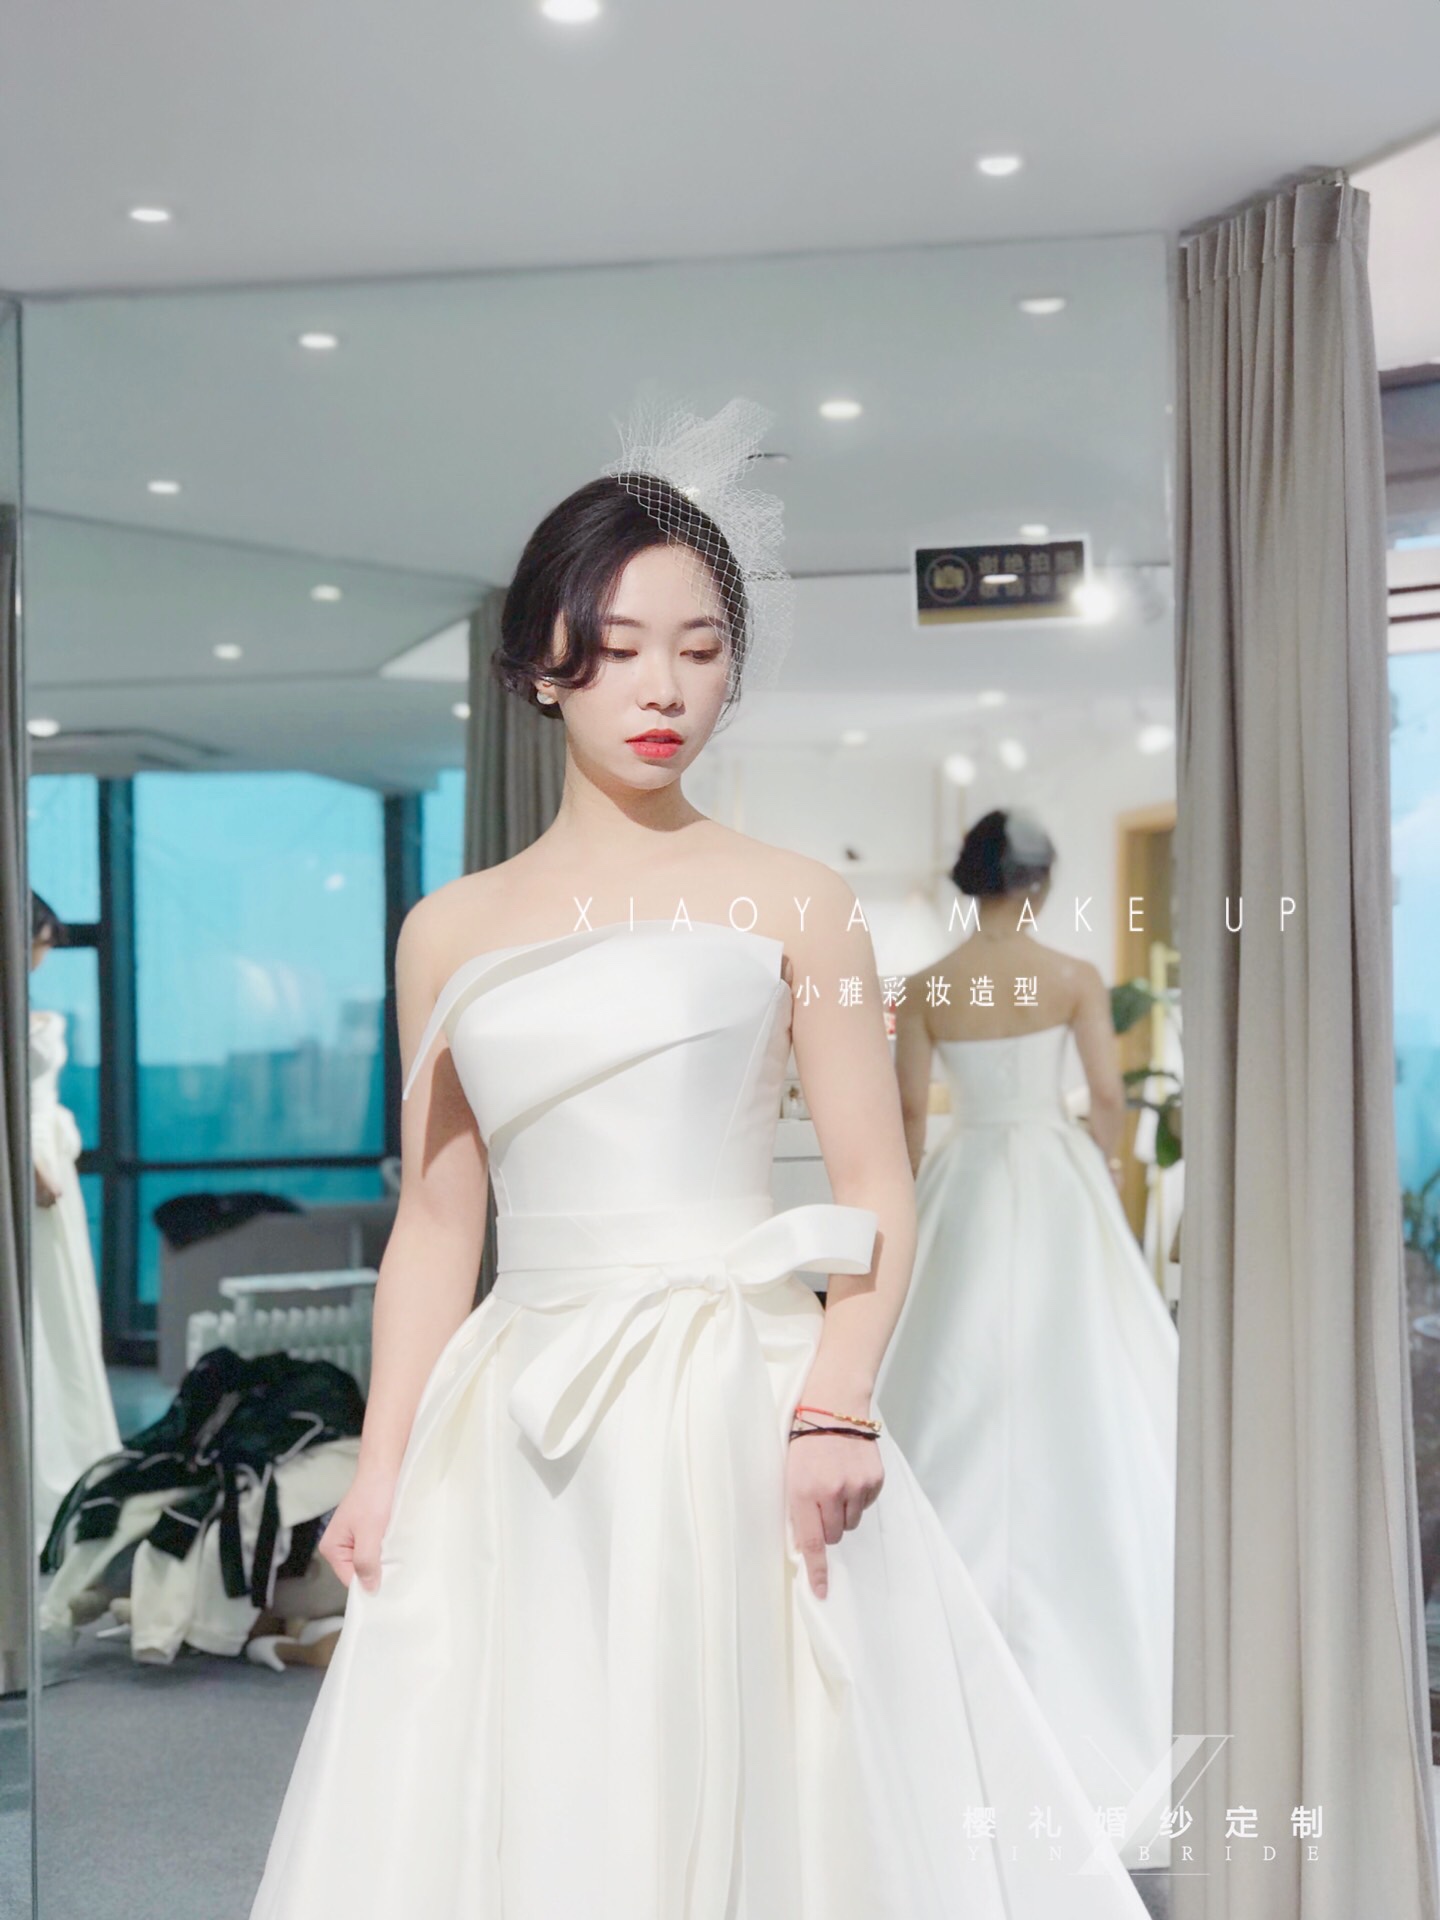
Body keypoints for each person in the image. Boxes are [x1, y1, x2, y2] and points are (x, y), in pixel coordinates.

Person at [248, 406, 1157, 1917]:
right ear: (543, 663)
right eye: (618, 647)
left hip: (738, 1395)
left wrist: (838, 1404)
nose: (664, 687)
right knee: (523, 1782)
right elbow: (438, 1223)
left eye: (700, 647)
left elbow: (876, 1184)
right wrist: (384, 1457)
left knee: (772, 1787)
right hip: (515, 1412)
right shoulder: (447, 929)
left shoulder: (797, 901)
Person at [875, 810, 1180, 1868]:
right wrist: (1104, 1172)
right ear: (1041, 886)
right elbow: (1107, 1098)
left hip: (964, 1179)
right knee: (1083, 1384)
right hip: (1052, 1176)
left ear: (969, 884)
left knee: (947, 1380)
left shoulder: (928, 986)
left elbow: (907, 1120)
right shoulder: (1073, 976)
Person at [29, 891, 121, 1551]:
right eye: (42, 941)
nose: (45, 954)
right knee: (38, 1314)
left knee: (63, 1314)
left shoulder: (34, 1010)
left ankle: (73, 1476)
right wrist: (33, 1167)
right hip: (32, 1163)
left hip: (49, 1161)